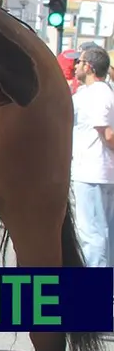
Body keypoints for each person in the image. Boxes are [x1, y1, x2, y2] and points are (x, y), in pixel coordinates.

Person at [66, 46, 114, 268]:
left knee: (92, 234)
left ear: (89, 67)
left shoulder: (98, 94)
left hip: (92, 173)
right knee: (102, 232)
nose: (76, 66)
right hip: (95, 172)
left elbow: (108, 133)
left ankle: (95, 290)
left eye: (80, 62)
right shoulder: (89, 93)